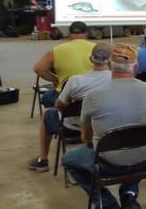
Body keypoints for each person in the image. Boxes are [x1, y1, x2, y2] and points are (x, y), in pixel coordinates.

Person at [62, 44, 146, 209]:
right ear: (136, 66)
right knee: (136, 140)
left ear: (109, 64)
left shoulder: (94, 96)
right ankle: (129, 195)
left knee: (70, 159)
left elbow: (85, 137)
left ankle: (107, 205)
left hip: (109, 163)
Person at [28, 43, 112, 172]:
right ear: (111, 60)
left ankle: (43, 159)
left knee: (48, 114)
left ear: (91, 59)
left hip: (74, 127)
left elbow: (59, 105)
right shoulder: (115, 79)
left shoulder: (75, 81)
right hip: (107, 126)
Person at [33, 21, 95, 107]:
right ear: (87, 33)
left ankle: (58, 116)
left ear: (69, 34)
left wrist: (55, 80)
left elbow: (39, 69)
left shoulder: (56, 50)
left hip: (68, 96)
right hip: (94, 93)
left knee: (47, 98)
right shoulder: (98, 48)